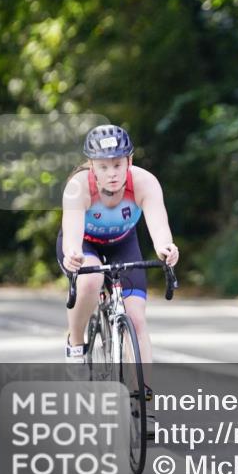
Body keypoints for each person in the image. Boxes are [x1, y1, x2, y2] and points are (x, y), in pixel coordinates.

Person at [57, 124, 179, 425]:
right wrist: (73, 254)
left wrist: (166, 249)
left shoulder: (145, 183)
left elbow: (159, 228)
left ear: (129, 161)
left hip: (123, 244)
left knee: (136, 319)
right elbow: (72, 235)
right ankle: (76, 341)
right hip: (84, 243)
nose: (111, 173)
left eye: (117, 164)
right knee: (90, 279)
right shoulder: (78, 187)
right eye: (103, 166)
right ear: (91, 167)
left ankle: (143, 402)